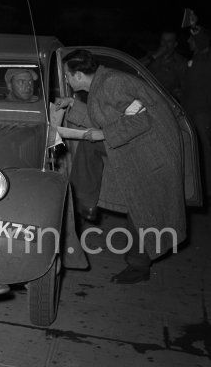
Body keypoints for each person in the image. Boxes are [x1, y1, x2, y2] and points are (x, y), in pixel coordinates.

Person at [55, 49, 185, 284]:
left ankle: (137, 263)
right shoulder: (102, 83)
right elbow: (104, 117)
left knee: (144, 210)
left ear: (78, 75)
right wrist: (73, 104)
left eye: (66, 75)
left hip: (151, 154)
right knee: (140, 207)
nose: (65, 80)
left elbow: (140, 118)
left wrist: (104, 134)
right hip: (138, 148)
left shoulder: (112, 83)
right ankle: (87, 202)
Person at [181, 19, 211, 203]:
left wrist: (193, 24)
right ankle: (199, 188)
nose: (188, 42)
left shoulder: (207, 59)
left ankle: (207, 192)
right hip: (192, 112)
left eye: (191, 39)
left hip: (203, 113)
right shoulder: (195, 60)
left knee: (205, 150)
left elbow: (201, 38)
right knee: (196, 151)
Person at [140, 30, 185, 101]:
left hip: (163, 102)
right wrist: (155, 56)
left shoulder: (181, 62)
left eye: (169, 41)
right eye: (163, 40)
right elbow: (133, 66)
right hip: (143, 97)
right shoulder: (151, 55)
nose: (164, 44)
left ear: (175, 44)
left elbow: (185, 89)